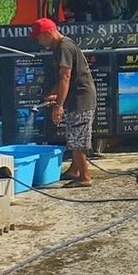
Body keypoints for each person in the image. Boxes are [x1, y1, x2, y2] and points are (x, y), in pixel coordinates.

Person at [29, 16, 99, 184]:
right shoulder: (64, 45)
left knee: (77, 139)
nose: (39, 42)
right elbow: (66, 78)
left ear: (48, 33)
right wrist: (54, 93)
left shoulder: (63, 48)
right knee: (75, 135)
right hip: (80, 96)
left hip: (81, 98)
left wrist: (58, 105)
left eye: (39, 37)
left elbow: (65, 77)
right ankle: (75, 170)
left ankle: (84, 177)